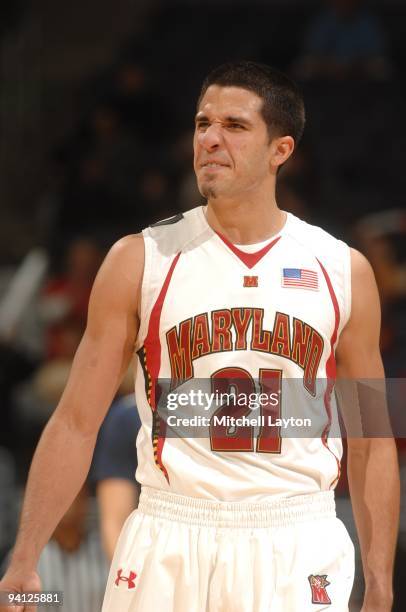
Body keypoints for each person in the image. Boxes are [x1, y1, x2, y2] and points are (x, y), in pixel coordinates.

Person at [0, 61, 399, 612]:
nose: (210, 138)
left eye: (234, 126)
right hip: (171, 525)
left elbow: (373, 435)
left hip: (297, 531)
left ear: (280, 150)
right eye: (201, 123)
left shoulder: (343, 269)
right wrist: (24, 557)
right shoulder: (138, 258)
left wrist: (380, 579)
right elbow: (74, 419)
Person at [91, 394, 141, 561]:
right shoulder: (128, 416)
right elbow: (115, 522)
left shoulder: (223, 410)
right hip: (156, 547)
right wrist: (127, 582)